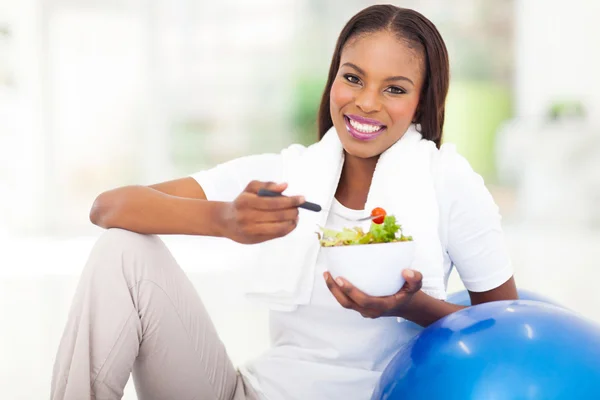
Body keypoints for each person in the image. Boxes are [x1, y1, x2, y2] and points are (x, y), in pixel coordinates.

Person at [51, 4, 518, 400]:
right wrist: (224, 218)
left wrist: (410, 307)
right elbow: (108, 208)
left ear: (421, 101)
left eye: (394, 88)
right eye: (353, 78)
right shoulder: (288, 176)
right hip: (255, 392)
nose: (367, 102)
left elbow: (506, 330)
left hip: (384, 391)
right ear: (333, 79)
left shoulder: (448, 182)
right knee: (123, 252)